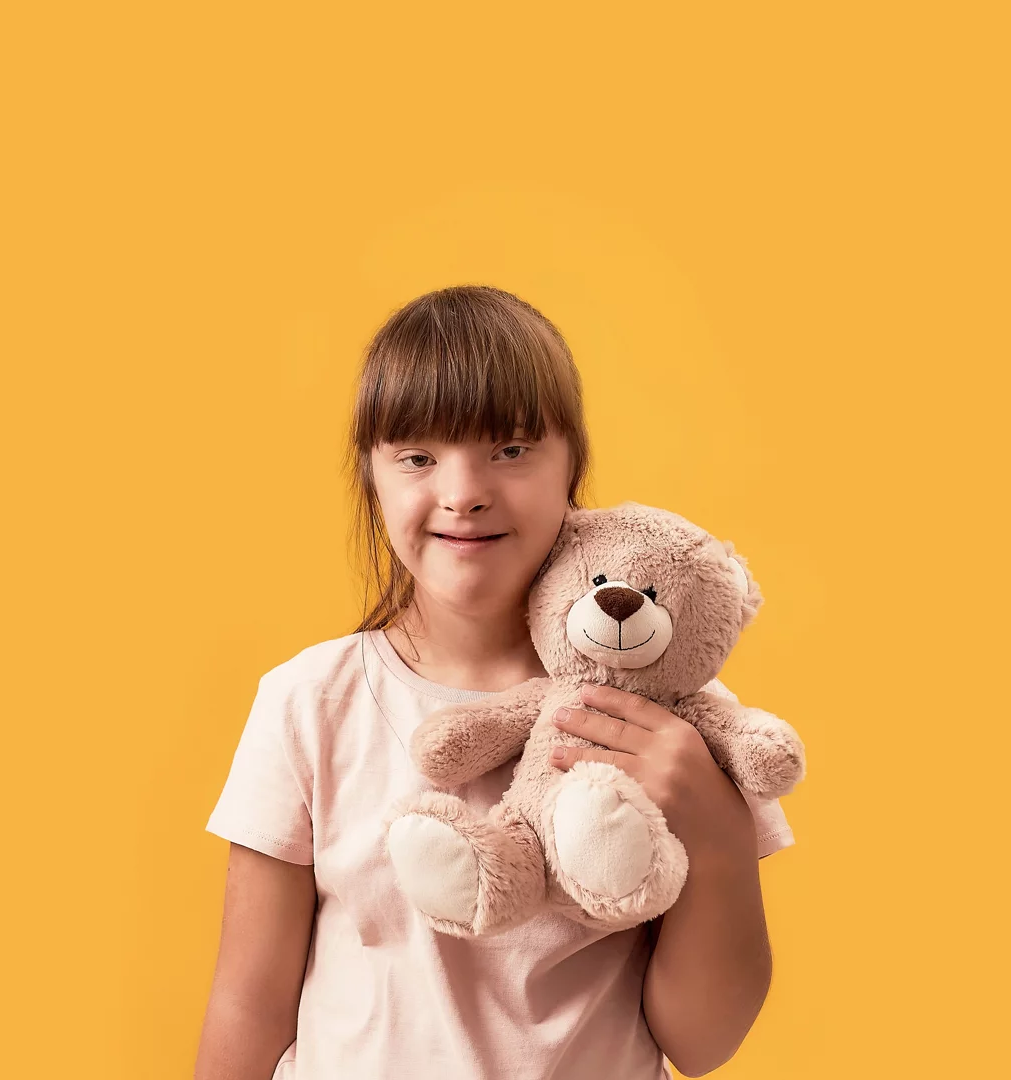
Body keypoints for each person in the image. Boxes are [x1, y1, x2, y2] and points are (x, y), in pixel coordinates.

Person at [193, 286, 795, 1080]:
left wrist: (717, 835)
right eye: (417, 457)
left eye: (509, 449)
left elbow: (702, 1041)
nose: (464, 491)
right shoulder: (310, 703)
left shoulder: (665, 716)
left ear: (573, 464)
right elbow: (248, 1003)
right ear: (371, 476)